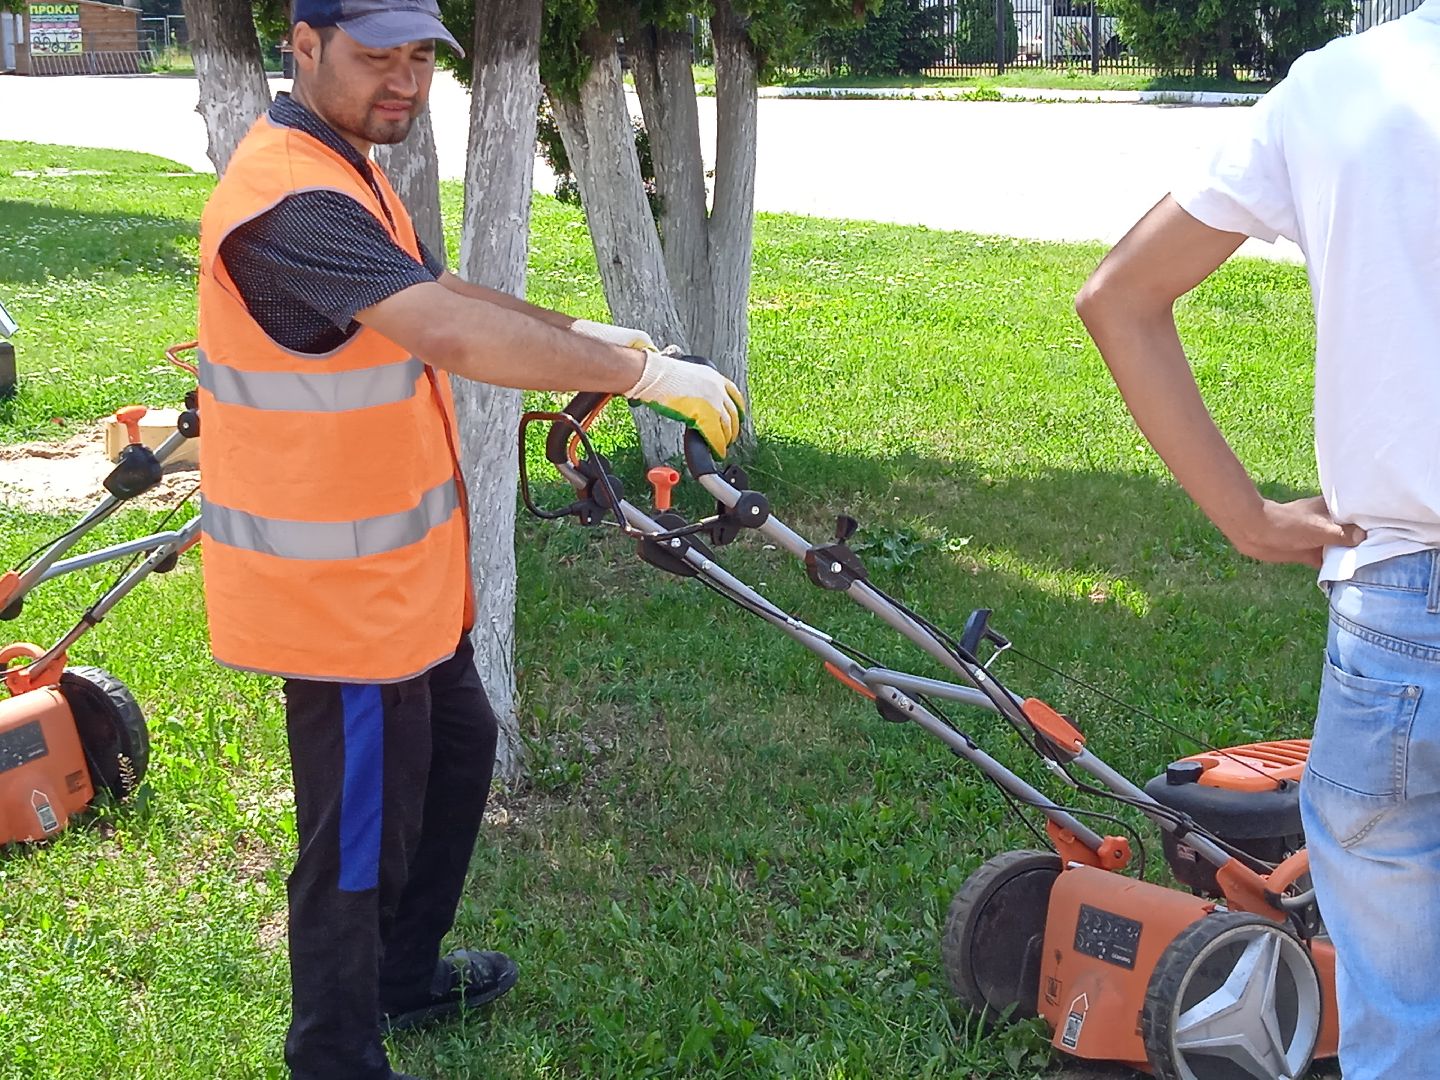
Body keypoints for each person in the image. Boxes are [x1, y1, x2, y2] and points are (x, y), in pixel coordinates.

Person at [194, 3, 746, 1079]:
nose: (402, 81)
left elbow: (441, 291)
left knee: (457, 758)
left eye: (417, 59)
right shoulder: (285, 201)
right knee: (355, 843)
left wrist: (591, 344)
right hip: (339, 607)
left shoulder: (344, 166)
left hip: (403, 589)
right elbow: (442, 331)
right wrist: (643, 378)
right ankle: (334, 1053)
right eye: (373, 58)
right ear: (302, 48)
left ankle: (404, 976)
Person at [1075, 6, 1440, 1078]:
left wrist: (1247, 516)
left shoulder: (1339, 89)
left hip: (1397, 618)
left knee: (1401, 1033)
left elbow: (1119, 297)